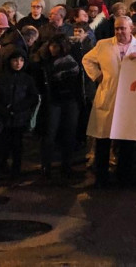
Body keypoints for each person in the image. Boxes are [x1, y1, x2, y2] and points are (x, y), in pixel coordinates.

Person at [82, 15, 136, 187]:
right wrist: (98, 76)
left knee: (126, 139)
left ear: (131, 29)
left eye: (123, 28)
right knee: (103, 138)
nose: (120, 31)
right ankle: (101, 176)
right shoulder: (103, 45)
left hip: (131, 97)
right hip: (109, 94)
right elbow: (87, 60)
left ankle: (124, 176)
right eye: (117, 28)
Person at [38, 35, 84, 178]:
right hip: (54, 101)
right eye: (51, 46)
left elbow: (77, 82)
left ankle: (66, 164)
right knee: (50, 134)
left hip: (70, 100)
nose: (53, 49)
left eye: (56, 46)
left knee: (69, 133)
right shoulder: (46, 62)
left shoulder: (71, 60)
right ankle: (46, 166)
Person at [0, 50, 39, 179]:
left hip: (19, 118)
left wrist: (19, 108)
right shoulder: (0, 78)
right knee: (1, 145)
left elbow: (32, 97)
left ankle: (15, 171)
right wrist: (3, 110)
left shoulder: (27, 79)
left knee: (17, 146)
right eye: (15, 60)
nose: (18, 63)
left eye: (21, 60)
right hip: (3, 118)